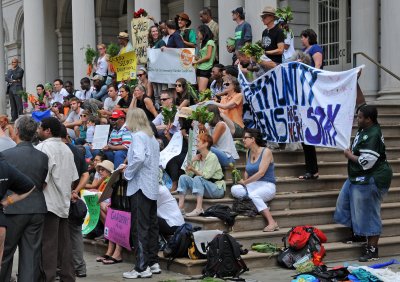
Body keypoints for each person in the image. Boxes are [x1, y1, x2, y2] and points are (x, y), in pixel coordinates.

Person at [334, 105, 393, 262]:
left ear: (369, 119)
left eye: (360, 117)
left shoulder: (373, 134)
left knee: (368, 211)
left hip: (372, 177)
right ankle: (359, 234)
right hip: (357, 176)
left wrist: (349, 155)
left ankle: (372, 249)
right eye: (357, 116)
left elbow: (366, 162)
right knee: (344, 203)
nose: (357, 119)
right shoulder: (364, 129)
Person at [0, 116, 48, 282]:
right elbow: (41, 183)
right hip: (36, 208)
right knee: (31, 256)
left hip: (12, 209)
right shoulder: (42, 157)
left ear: (17, 131)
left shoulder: (5, 155)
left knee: (5, 254)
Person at [35, 117, 79, 282]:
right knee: (64, 244)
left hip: (49, 202)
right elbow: (74, 177)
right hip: (63, 201)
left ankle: (48, 277)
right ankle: (68, 277)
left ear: (48, 131)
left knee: (49, 244)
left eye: (41, 127)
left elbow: (42, 180)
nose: (38, 130)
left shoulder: (43, 147)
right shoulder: (67, 149)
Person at [122, 108, 161, 279]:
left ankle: (141, 267)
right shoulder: (151, 137)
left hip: (140, 186)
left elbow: (138, 158)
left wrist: (127, 173)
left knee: (140, 227)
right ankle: (152, 262)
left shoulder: (138, 136)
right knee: (151, 225)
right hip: (151, 186)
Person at [231, 128, 279, 232]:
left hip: (267, 185)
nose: (243, 140)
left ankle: (272, 222)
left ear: (252, 139)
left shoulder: (266, 151)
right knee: (235, 189)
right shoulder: (248, 152)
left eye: (245, 138)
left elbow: (261, 173)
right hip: (254, 185)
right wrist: (244, 182)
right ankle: (260, 204)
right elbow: (247, 170)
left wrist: (245, 182)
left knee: (253, 195)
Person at [60, 125, 90, 278]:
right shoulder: (77, 151)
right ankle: (80, 267)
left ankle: (60, 268)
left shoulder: (59, 151)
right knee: (75, 234)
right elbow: (86, 175)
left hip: (60, 198)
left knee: (59, 234)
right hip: (73, 197)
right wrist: (76, 191)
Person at [178, 133, 226, 217]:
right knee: (183, 177)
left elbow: (206, 176)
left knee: (198, 178)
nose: (196, 143)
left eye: (198, 141)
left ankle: (199, 208)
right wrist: (192, 161)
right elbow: (189, 174)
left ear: (206, 144)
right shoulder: (198, 157)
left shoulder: (212, 157)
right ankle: (180, 208)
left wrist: (193, 169)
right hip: (205, 187)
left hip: (216, 189)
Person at [0, 154, 35, 264]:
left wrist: (7, 201)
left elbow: (29, 186)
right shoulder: (4, 167)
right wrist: (6, 202)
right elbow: (29, 186)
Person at [298, 28, 323, 180]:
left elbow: (317, 66)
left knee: (307, 134)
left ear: (308, 37)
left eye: (302, 37)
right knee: (303, 134)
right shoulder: (303, 50)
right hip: (303, 94)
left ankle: (312, 170)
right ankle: (311, 169)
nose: (301, 40)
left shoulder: (315, 48)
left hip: (311, 92)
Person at [193, 25, 216, 91]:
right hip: (199, 67)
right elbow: (202, 57)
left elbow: (208, 57)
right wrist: (196, 58)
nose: (198, 34)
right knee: (199, 90)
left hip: (206, 68)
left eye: (199, 32)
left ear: (203, 32)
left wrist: (197, 62)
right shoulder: (202, 43)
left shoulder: (210, 42)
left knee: (201, 90)